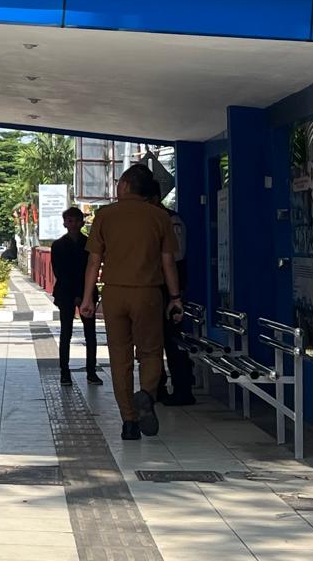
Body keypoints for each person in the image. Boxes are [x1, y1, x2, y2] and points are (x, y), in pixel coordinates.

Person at [81, 164, 182, 441]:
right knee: (150, 353)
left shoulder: (105, 216)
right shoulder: (159, 217)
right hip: (148, 293)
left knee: (119, 358)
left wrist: (89, 297)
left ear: (124, 186)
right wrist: (175, 297)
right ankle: (146, 395)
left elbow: (93, 261)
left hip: (114, 294)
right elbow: (168, 262)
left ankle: (128, 422)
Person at [144, 178, 196, 406]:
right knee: (153, 340)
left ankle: (183, 388)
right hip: (154, 289)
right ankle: (158, 387)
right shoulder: (151, 222)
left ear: (155, 199)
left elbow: (176, 256)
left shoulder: (171, 221)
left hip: (170, 291)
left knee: (173, 341)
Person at [50, 207, 101, 387]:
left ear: (82, 222)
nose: (73, 224)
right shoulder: (57, 245)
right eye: (69, 221)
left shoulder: (89, 244)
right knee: (66, 333)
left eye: (76, 220)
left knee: (91, 335)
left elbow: (91, 269)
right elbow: (59, 272)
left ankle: (92, 372)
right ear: (64, 223)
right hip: (65, 293)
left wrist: (82, 295)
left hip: (87, 292)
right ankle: (65, 373)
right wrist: (74, 295)